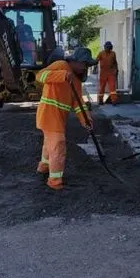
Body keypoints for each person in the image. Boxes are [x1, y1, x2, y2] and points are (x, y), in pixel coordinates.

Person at [35, 47, 95, 190]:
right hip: (49, 115)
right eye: (85, 64)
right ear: (77, 61)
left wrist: (86, 120)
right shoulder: (61, 65)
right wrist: (61, 75)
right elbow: (40, 76)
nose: (85, 68)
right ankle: (54, 182)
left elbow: (78, 103)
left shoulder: (76, 81)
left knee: (49, 145)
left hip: (57, 118)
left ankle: (43, 168)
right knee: (58, 147)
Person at [95, 41, 118, 105]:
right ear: (104, 47)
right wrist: (94, 66)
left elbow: (115, 63)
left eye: (109, 47)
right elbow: (96, 60)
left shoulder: (113, 53)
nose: (108, 48)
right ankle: (100, 100)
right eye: (106, 47)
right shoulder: (101, 53)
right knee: (102, 87)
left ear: (111, 47)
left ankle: (114, 100)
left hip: (111, 73)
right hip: (103, 73)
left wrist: (116, 70)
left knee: (112, 87)